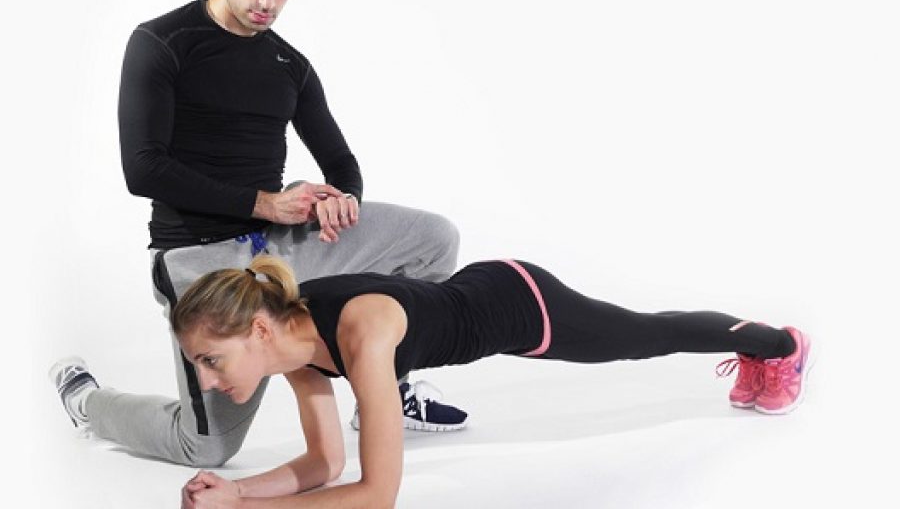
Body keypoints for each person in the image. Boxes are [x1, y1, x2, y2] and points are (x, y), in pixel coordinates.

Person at [48, 0, 466, 468]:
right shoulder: (162, 42)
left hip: (280, 245)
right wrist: (266, 202)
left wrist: (344, 199)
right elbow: (143, 169)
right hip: (201, 258)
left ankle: (387, 392)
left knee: (434, 240)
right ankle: (85, 401)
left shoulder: (289, 66)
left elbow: (342, 161)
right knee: (208, 447)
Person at [163, 254, 813, 508]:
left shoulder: (358, 334)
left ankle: (779, 345)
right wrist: (238, 490)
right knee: (644, 335)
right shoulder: (295, 349)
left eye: (211, 359)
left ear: (258, 332)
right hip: (472, 293)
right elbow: (325, 463)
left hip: (518, 307)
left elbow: (376, 494)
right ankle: (771, 348)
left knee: (644, 336)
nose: (207, 380)